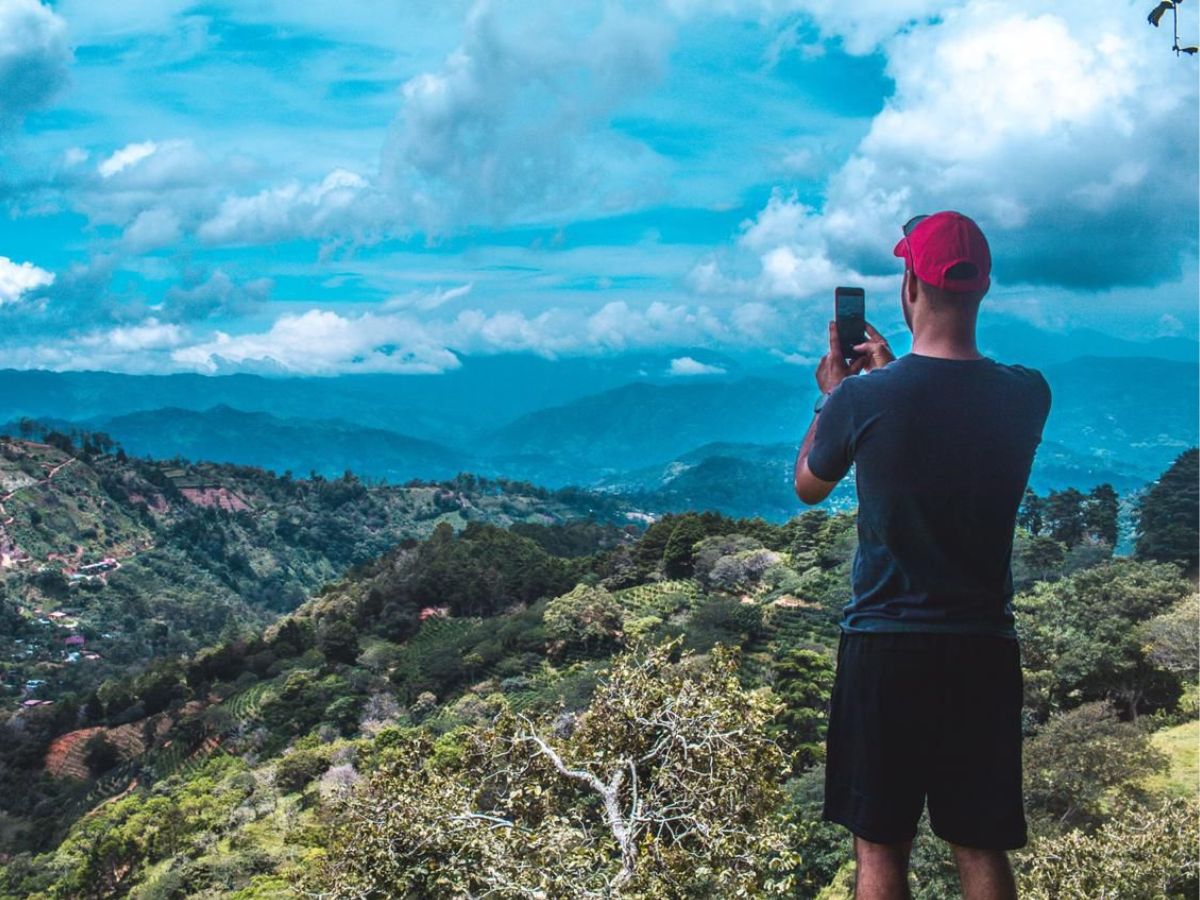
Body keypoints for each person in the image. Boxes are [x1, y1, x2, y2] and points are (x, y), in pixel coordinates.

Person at [791, 210, 1052, 900]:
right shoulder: (1028, 395)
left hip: (886, 645)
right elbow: (945, 414)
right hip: (983, 648)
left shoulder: (862, 398)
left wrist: (834, 396)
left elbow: (809, 487)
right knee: (981, 845)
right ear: (983, 288)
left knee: (879, 850)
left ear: (909, 284)